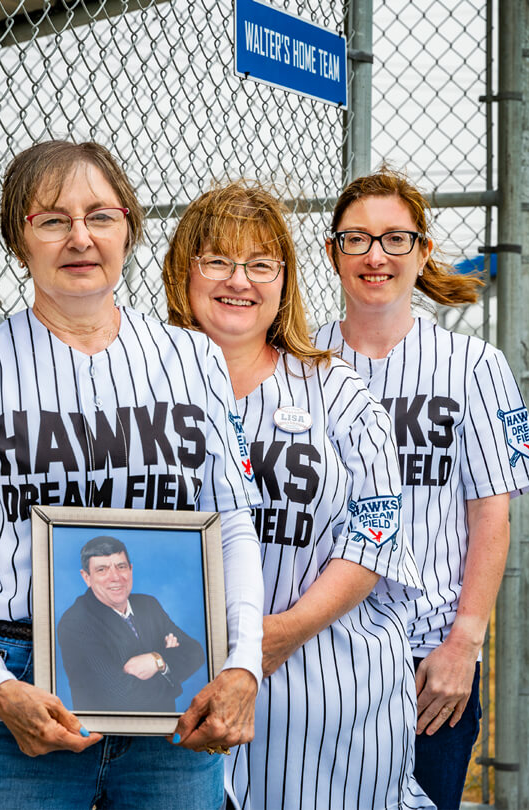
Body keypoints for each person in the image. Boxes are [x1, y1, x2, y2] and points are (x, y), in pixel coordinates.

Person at [0, 140, 265, 810]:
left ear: (128, 227)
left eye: (100, 215)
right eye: (52, 219)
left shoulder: (193, 360)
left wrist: (242, 662)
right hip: (24, 678)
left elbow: (234, 526)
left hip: (172, 687)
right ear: (19, 238)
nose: (79, 237)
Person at [162, 181, 433, 809]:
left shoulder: (335, 389)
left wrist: (278, 633)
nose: (241, 280)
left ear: (283, 280)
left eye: (261, 264)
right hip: (183, 688)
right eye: (218, 261)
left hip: (326, 690)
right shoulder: (146, 384)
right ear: (185, 271)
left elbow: (376, 531)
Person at [312, 170, 529, 809]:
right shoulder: (301, 365)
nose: (375, 256)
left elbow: (491, 517)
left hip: (427, 656)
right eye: (356, 239)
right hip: (322, 651)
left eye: (395, 238)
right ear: (333, 252)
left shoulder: (476, 365)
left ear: (422, 250)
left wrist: (463, 646)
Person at [57, 535, 204, 713]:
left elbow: (195, 652)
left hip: (161, 732)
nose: (115, 577)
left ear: (131, 569)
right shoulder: (76, 622)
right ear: (86, 577)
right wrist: (172, 677)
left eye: (121, 567)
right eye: (102, 570)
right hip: (108, 737)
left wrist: (158, 660)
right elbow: (122, 697)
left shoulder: (149, 605)